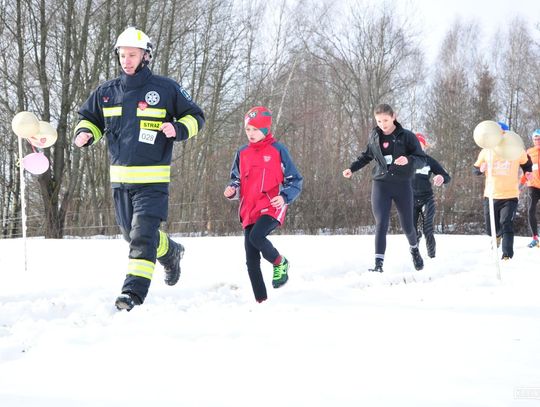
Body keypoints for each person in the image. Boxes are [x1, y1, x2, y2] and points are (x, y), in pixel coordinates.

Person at [74, 27, 205, 310]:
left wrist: (179, 128)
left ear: (146, 56)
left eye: (132, 55)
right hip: (121, 183)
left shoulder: (166, 89)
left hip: (153, 182)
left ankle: (132, 293)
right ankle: (170, 251)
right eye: (122, 55)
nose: (126, 60)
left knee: (142, 236)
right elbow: (89, 119)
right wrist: (85, 133)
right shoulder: (106, 92)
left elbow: (196, 116)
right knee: (131, 236)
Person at [224, 106, 303, 303]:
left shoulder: (278, 150)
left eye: (255, 129)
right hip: (249, 209)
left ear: (266, 129)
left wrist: (284, 197)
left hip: (272, 206)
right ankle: (262, 301)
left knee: (256, 236)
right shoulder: (242, 153)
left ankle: (280, 262)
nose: (250, 133)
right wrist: (232, 189)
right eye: (248, 129)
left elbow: (295, 180)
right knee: (251, 259)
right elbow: (236, 179)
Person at [343, 103, 426, 273]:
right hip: (381, 184)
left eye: (386, 120)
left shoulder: (407, 136)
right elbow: (366, 156)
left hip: (402, 185)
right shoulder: (374, 136)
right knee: (381, 222)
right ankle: (378, 264)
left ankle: (414, 249)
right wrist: (351, 168)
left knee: (407, 226)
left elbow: (421, 159)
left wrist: (409, 160)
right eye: (379, 121)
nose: (382, 124)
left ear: (393, 117)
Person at [473, 125, 532, 260]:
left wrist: (528, 172)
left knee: (506, 223)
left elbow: (527, 163)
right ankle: (497, 235)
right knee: (490, 229)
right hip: (491, 195)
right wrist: (480, 169)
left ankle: (507, 255)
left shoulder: (516, 149)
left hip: (510, 195)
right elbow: (475, 169)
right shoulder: (487, 151)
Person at [412, 133, 451, 258]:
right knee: (412, 232)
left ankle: (432, 256)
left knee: (427, 228)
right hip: (410, 200)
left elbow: (446, 177)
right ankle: (415, 256)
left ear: (424, 146)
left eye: (420, 145)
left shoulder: (429, 161)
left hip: (427, 199)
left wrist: (441, 177)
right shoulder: (406, 160)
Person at [524, 129, 540, 248]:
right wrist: (522, 181)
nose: (537, 141)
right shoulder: (529, 152)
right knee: (531, 210)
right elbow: (525, 168)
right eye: (535, 139)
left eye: (539, 139)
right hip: (533, 185)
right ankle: (535, 238)